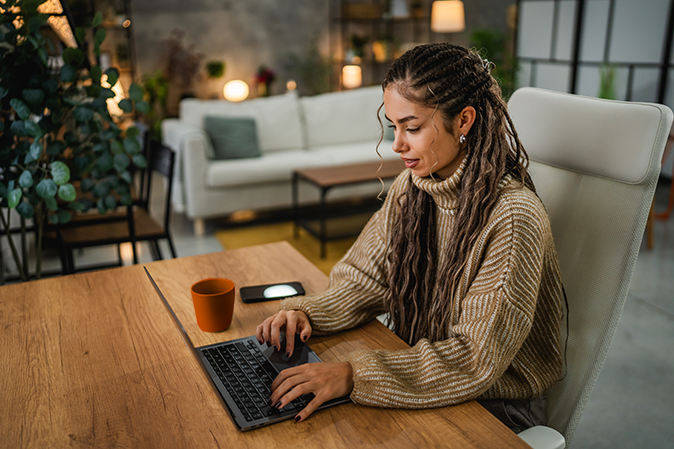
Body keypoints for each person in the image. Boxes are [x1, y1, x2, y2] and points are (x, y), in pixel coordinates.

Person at [256, 43, 564, 432]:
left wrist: (355, 375)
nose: (397, 144)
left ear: (464, 120)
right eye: (393, 126)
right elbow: (365, 277)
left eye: (412, 128)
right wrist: (308, 314)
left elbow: (474, 361)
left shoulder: (513, 217)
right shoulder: (414, 185)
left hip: (496, 407)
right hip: (420, 369)